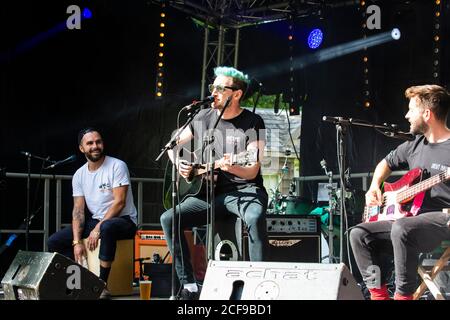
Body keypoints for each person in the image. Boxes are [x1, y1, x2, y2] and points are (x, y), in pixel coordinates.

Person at [160, 66, 268, 300]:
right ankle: (188, 285)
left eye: (220, 88)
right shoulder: (203, 116)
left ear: (236, 94)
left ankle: (260, 284)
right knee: (169, 218)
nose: (214, 92)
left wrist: (231, 165)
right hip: (208, 195)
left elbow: (252, 170)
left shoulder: (253, 122)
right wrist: (180, 163)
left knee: (255, 218)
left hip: (245, 191)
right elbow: (172, 145)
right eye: (213, 87)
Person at [350, 84, 450, 300]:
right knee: (358, 234)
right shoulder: (413, 145)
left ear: (427, 114)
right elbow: (384, 164)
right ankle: (378, 294)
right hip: (408, 219)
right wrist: (374, 186)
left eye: (411, 110)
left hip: (443, 219)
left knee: (402, 228)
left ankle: (403, 297)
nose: (406, 115)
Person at [47, 128, 137, 299]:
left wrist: (98, 227)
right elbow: (78, 210)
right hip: (96, 221)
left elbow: (119, 202)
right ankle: (77, 282)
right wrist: (76, 242)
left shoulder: (117, 166)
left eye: (98, 141)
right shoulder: (79, 175)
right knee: (54, 241)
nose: (95, 146)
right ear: (82, 148)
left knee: (108, 227)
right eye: (90, 143)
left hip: (124, 220)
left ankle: (101, 286)